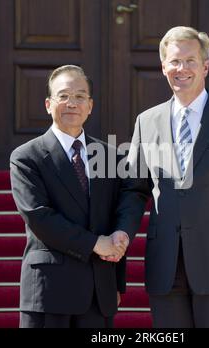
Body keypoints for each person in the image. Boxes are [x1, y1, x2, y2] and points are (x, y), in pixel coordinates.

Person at [115, 26, 209, 328]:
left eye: (190, 60)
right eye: (174, 61)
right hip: (166, 265)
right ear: (163, 67)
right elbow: (134, 189)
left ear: (205, 66)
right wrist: (121, 233)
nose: (181, 68)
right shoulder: (147, 121)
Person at [10, 65, 130, 328]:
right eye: (63, 95)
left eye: (79, 96)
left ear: (90, 105)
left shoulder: (110, 156)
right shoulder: (26, 157)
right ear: (48, 104)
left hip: (99, 294)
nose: (71, 103)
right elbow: (39, 217)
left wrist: (116, 282)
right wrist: (95, 244)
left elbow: (115, 215)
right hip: (50, 292)